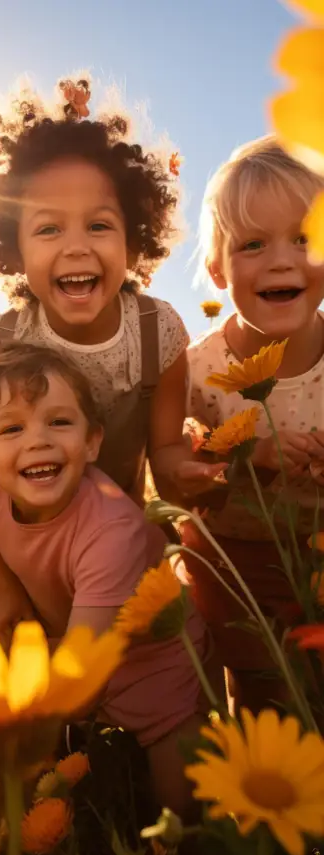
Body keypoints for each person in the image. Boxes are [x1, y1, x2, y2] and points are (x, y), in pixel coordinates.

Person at [0, 343, 211, 819]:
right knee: (50, 799)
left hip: (154, 661)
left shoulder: (111, 530)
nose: (38, 442)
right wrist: (7, 589)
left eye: (59, 422)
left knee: (183, 799)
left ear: (92, 442)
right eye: (12, 429)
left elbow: (78, 688)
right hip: (71, 639)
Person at [0, 73, 226, 508]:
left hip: (121, 525)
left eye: (98, 225)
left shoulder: (155, 334)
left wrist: (184, 470)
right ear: (16, 249)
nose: (75, 247)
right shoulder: (2, 342)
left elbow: (164, 452)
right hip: (29, 533)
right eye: (48, 228)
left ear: (132, 241)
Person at [152, 137, 324, 714]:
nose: (282, 260)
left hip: (318, 549)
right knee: (262, 687)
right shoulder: (199, 365)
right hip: (235, 558)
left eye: (304, 239)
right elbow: (172, 469)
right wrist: (248, 458)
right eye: (254, 244)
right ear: (217, 271)